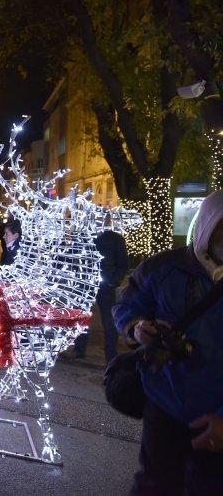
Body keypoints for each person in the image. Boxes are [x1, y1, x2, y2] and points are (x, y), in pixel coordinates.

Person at [114, 191, 223, 494]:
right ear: (206, 227)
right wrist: (135, 328)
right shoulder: (160, 269)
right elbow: (126, 306)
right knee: (156, 485)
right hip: (165, 402)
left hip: (217, 414)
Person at [70, 215, 128, 362]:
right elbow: (73, 258)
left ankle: (111, 356)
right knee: (82, 319)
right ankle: (79, 349)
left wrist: (113, 282)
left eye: (100, 220)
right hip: (84, 285)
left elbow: (123, 264)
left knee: (109, 322)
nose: (96, 222)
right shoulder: (83, 237)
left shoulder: (115, 239)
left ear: (107, 221)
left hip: (105, 287)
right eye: (93, 219)